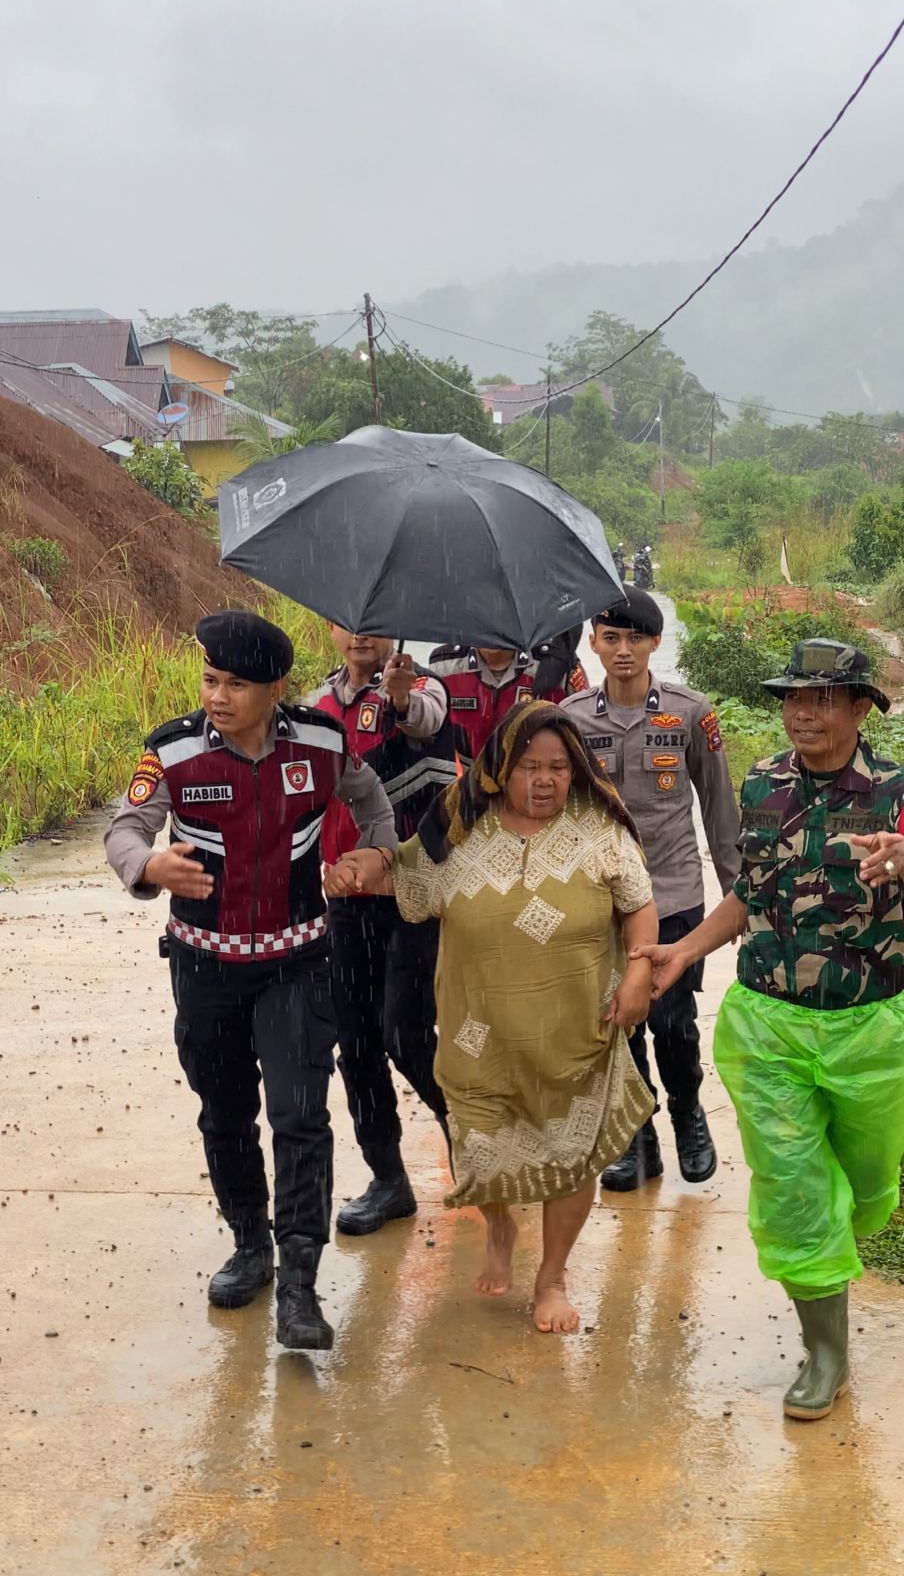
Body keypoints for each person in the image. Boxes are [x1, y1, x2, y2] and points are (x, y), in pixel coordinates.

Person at [104, 610, 397, 1353]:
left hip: (299, 962)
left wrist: (376, 855)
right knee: (224, 1114)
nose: (219, 696)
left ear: (277, 689)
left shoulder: (323, 744)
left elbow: (370, 802)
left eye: (237, 684)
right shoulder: (171, 753)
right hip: (205, 966)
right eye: (211, 679)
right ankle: (249, 1245)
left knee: (300, 1115)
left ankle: (300, 1284)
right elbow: (126, 828)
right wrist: (147, 866)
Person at [633, 638, 904, 1421]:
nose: (801, 714)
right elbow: (749, 894)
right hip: (771, 1025)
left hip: (874, 1031)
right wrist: (684, 949)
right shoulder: (764, 784)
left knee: (868, 1188)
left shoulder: (895, 790)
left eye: (821, 700)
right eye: (792, 698)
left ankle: (834, 1255)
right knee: (794, 1192)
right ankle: (826, 1352)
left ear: (859, 708)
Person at [325, 700, 657, 1334]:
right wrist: (366, 867)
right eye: (529, 765)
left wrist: (639, 974)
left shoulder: (600, 828)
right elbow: (403, 874)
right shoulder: (459, 829)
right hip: (480, 1035)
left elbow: (640, 906)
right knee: (479, 1145)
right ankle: (500, 1226)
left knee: (573, 1155)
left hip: (578, 1031)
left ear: (577, 769)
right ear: (500, 767)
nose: (544, 781)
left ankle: (552, 1275)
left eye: (558, 767)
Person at [564, 587, 740, 1190]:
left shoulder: (691, 713)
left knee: (671, 1022)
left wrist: (741, 900)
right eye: (610, 638)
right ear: (593, 643)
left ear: (655, 644)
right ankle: (636, 1136)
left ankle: (689, 1114)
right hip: (603, 900)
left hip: (674, 895)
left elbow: (719, 808)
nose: (623, 650)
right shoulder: (572, 718)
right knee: (619, 1019)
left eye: (635, 638)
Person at [312, 627, 457, 1235]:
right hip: (344, 899)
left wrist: (398, 700)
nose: (360, 633)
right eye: (348, 620)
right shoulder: (316, 708)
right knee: (357, 1042)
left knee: (404, 1030)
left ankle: (471, 1135)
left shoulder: (422, 686)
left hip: (414, 893)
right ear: (332, 627)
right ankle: (388, 1178)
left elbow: (426, 720)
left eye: (373, 622)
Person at [429, 630, 588, 766]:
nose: (488, 627)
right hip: (465, 790)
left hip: (537, 785)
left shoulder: (556, 663)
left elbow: (585, 736)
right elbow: (428, 735)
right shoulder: (444, 664)